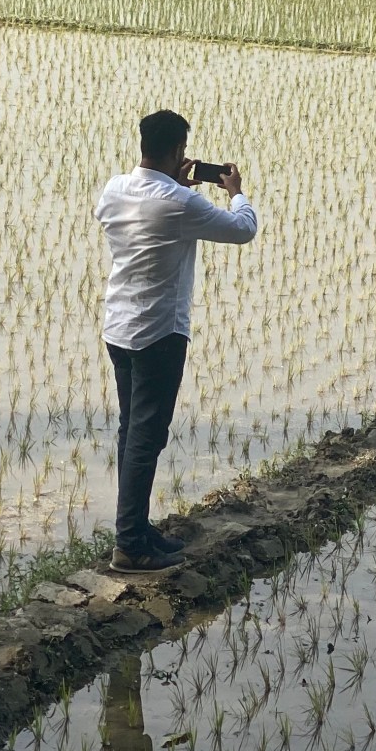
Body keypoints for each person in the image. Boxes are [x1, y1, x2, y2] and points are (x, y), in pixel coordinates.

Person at [94, 109, 258, 571]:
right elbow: (243, 229)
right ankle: (130, 545)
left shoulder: (113, 189)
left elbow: (146, 217)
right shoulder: (181, 205)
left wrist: (176, 187)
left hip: (119, 329)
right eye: (183, 151)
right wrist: (236, 193)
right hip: (159, 333)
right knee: (146, 437)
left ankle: (138, 528)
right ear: (177, 152)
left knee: (133, 431)